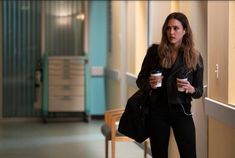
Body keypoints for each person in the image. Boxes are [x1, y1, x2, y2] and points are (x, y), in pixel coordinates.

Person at [136, 12, 204, 158]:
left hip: (182, 112)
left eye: (176, 28)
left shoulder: (195, 57)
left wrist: (191, 89)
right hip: (157, 112)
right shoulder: (154, 52)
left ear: (185, 31)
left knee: (189, 154)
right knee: (159, 155)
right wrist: (150, 84)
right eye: (168, 28)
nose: (171, 32)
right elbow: (140, 80)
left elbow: (199, 91)